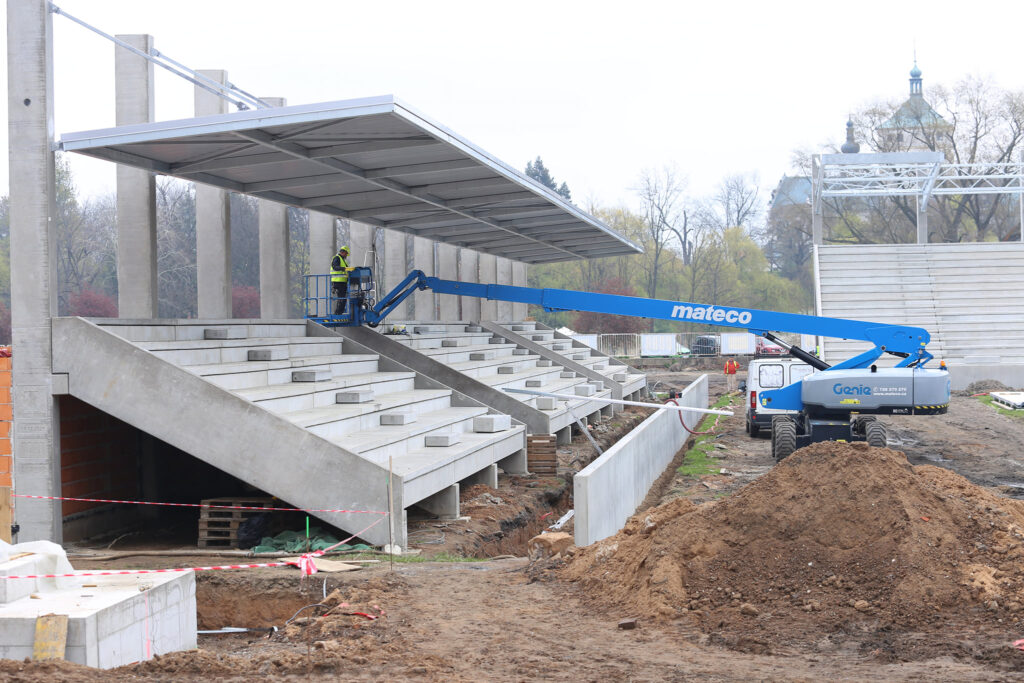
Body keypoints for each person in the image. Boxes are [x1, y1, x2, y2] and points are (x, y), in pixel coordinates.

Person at [330, 246, 350, 315]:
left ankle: (339, 312)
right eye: (346, 253)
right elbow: (335, 267)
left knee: (343, 298)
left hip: (342, 282)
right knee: (341, 298)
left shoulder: (342, 260)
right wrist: (344, 268)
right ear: (343, 252)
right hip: (338, 282)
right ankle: (337, 313)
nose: (346, 255)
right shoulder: (337, 258)